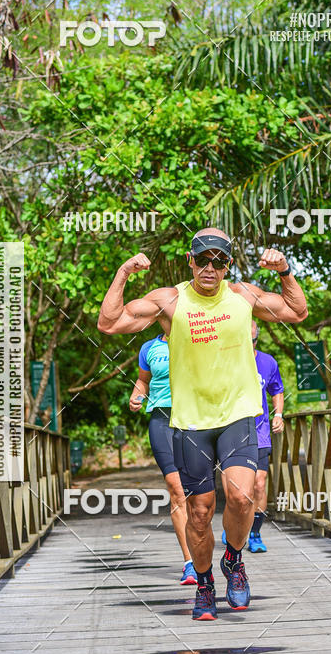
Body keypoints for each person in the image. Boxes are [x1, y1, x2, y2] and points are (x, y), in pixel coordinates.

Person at [98, 227, 307, 621]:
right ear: (191, 261)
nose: (211, 267)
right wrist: (123, 272)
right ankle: (206, 583)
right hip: (190, 422)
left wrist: (285, 271)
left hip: (238, 415)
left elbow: (297, 311)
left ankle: (233, 559)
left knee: (243, 498)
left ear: (228, 264)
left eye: (220, 260)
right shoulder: (171, 301)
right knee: (199, 512)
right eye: (204, 259)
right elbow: (110, 323)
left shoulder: (243, 295)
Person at [129, 334, 196, 585]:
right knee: (177, 490)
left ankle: (204, 555)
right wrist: (136, 395)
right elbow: (143, 380)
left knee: (198, 495)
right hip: (161, 420)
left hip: (194, 418)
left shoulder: (196, 335)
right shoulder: (149, 347)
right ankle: (189, 562)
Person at [221, 320, 284, 552]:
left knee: (259, 484)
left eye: (253, 341)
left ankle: (255, 533)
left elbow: (277, 390)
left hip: (259, 433)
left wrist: (279, 414)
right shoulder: (223, 361)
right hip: (229, 432)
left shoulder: (267, 362)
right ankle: (231, 526)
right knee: (234, 490)